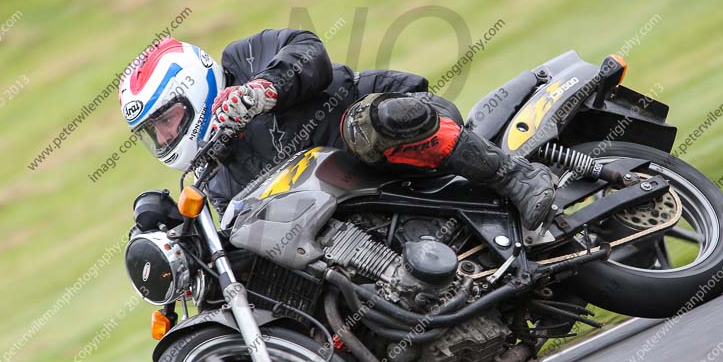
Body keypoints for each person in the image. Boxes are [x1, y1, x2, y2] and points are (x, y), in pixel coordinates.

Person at [118, 29, 553, 230]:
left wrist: (263, 90)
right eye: (153, 131)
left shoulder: (244, 59)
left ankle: (514, 174)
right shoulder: (218, 177)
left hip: (403, 127)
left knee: (365, 126)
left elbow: (309, 51)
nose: (165, 137)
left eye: (165, 120)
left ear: (192, 89)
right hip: (368, 217)